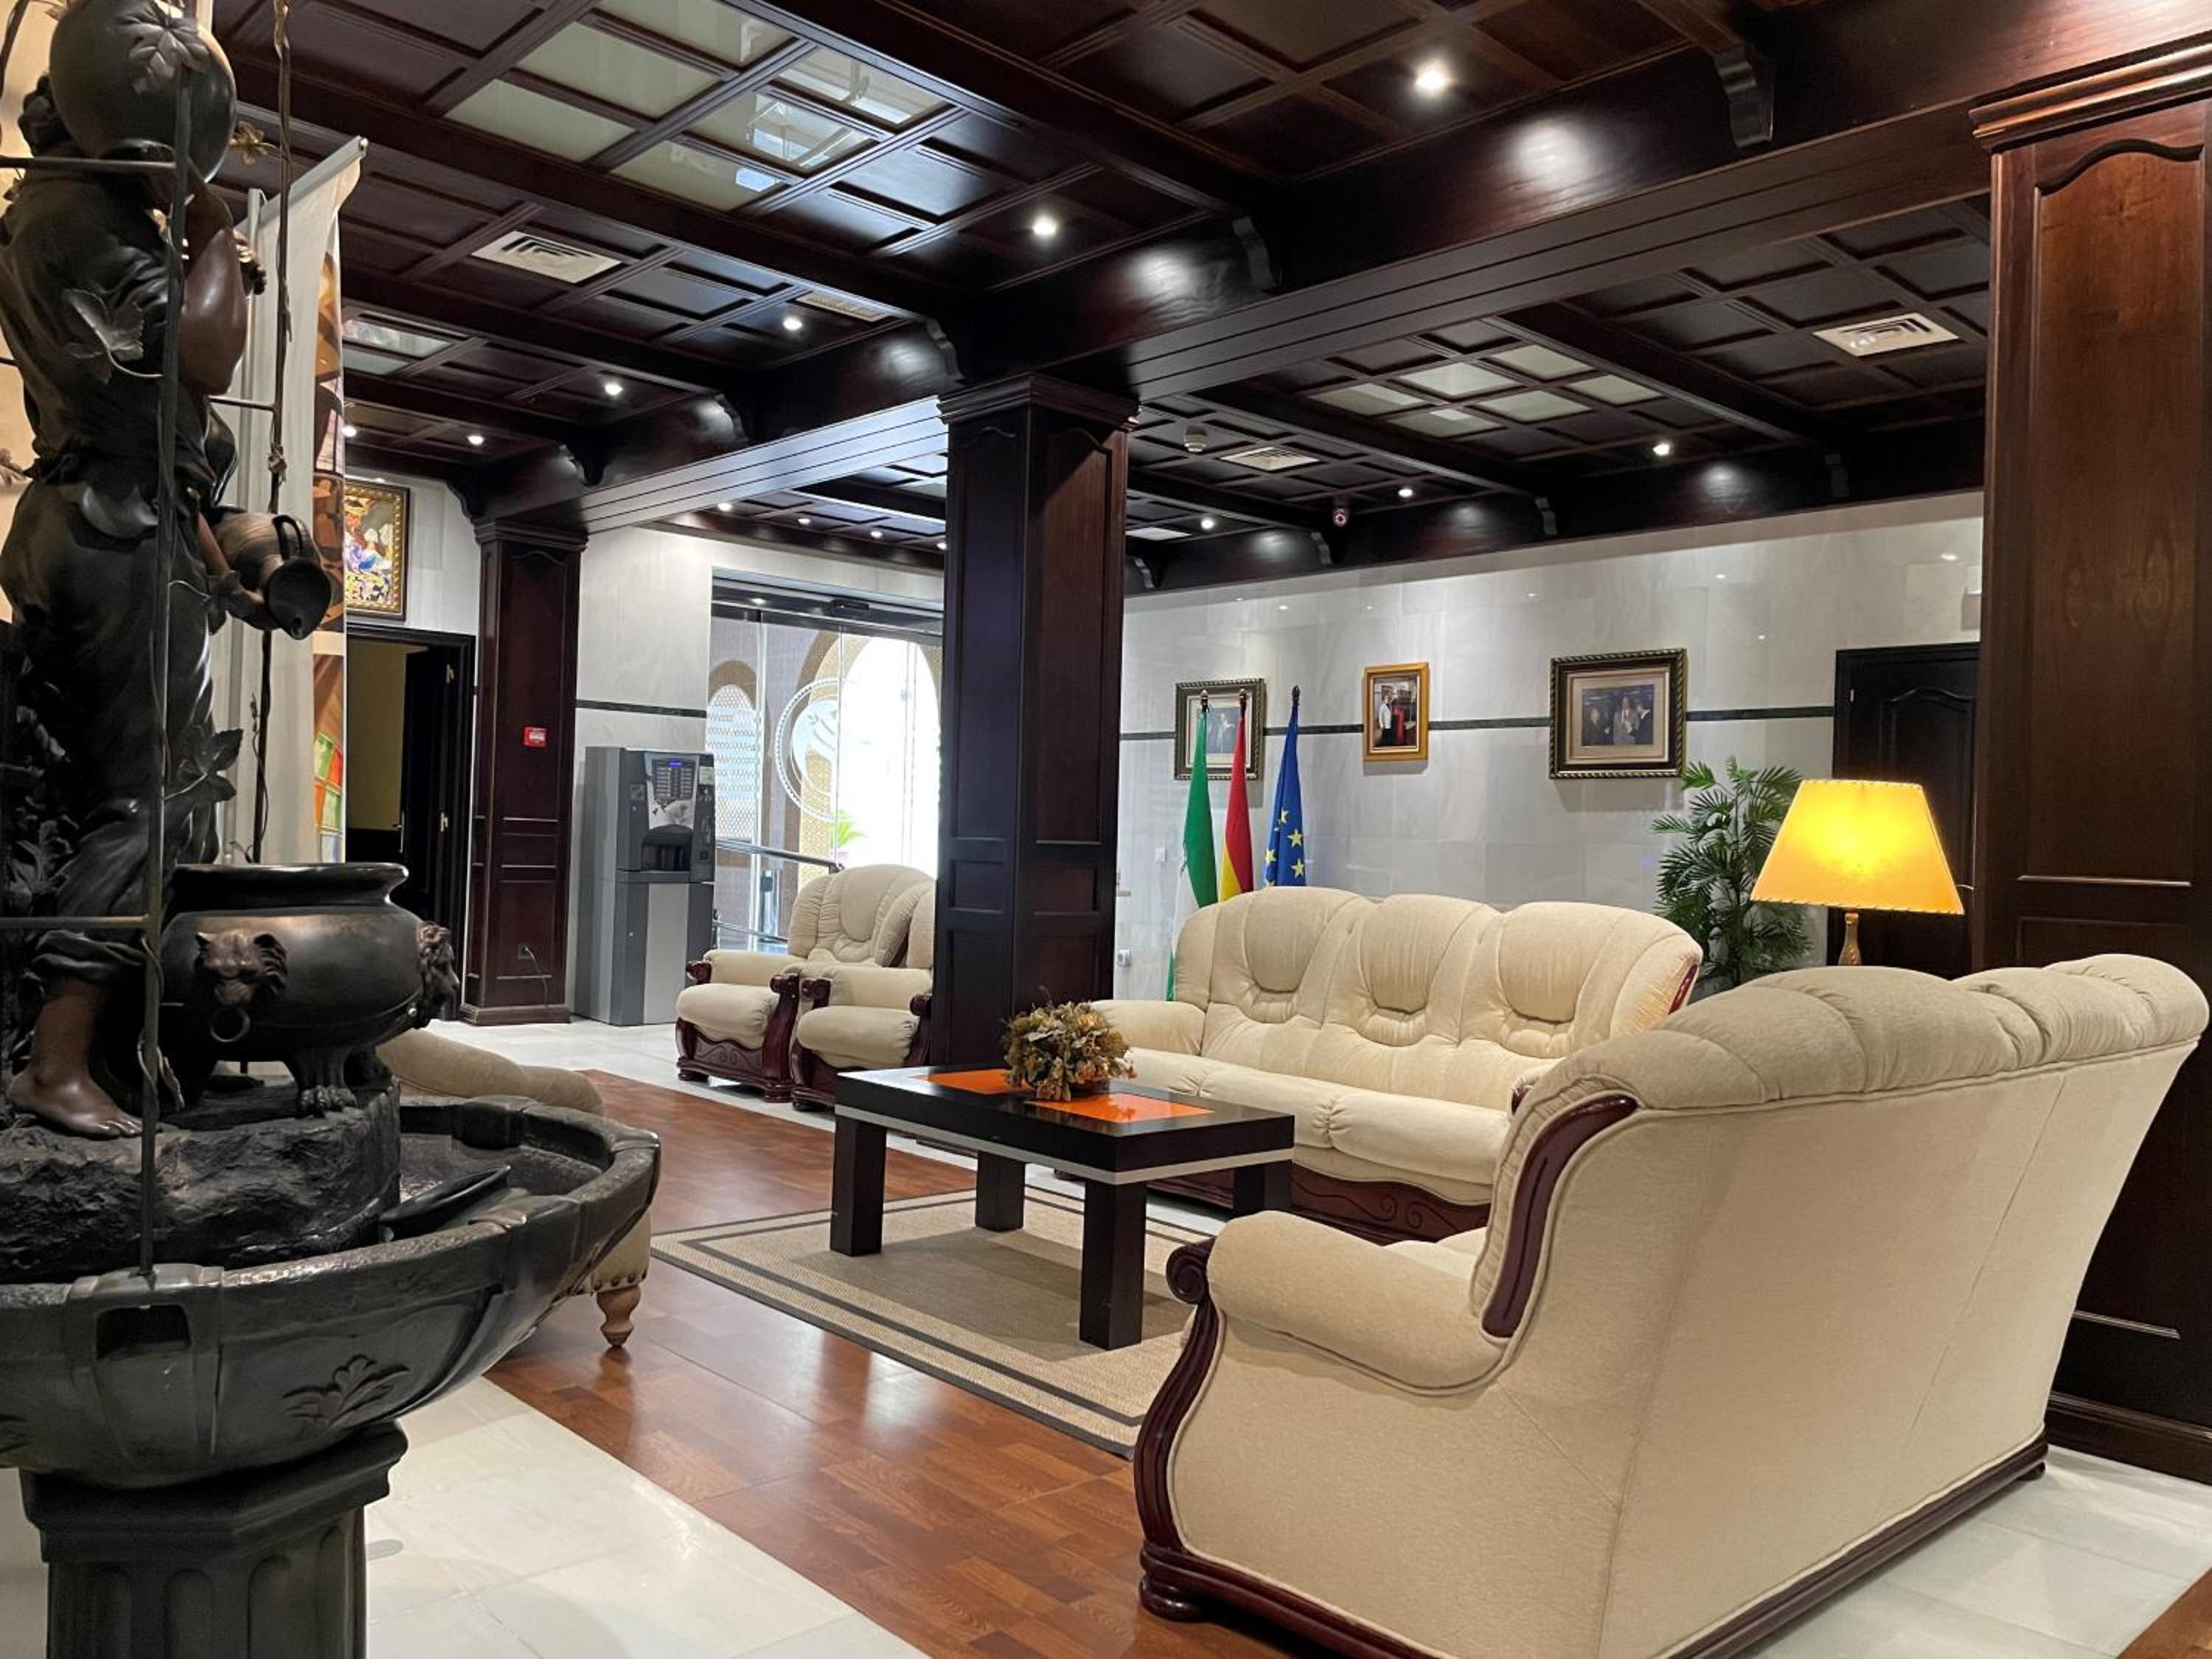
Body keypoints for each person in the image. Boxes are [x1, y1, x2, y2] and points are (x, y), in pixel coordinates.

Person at [0, 79, 262, 1137]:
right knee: (154, 797)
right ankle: (56, 1060)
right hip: (116, 535)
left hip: (90, 517)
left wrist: (224, 567)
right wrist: (213, 227)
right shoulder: (80, 214)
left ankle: (100, 1045)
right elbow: (207, 353)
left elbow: (157, 425)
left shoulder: (45, 211)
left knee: (99, 790)